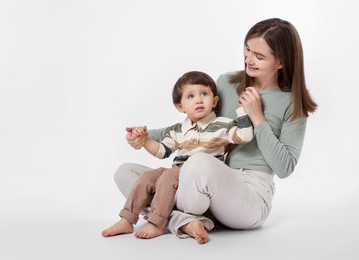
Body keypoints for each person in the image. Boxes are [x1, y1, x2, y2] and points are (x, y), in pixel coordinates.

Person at [112, 18, 318, 245]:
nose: (249, 59)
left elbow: (285, 167)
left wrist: (258, 118)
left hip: (250, 193)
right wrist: (147, 137)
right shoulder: (228, 83)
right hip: (204, 182)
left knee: (198, 162)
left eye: (259, 56)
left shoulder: (293, 103)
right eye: (247, 50)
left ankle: (171, 217)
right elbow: (195, 127)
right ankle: (186, 222)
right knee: (126, 172)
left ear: (280, 62)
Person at [102, 71, 253, 240]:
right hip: (176, 169)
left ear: (214, 101)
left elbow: (245, 136)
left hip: (197, 174)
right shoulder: (179, 129)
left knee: (167, 178)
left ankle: (157, 223)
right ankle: (127, 219)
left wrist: (243, 112)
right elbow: (161, 151)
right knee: (147, 177)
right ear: (180, 106)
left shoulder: (221, 124)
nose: (198, 100)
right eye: (190, 96)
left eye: (204, 94)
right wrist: (145, 140)